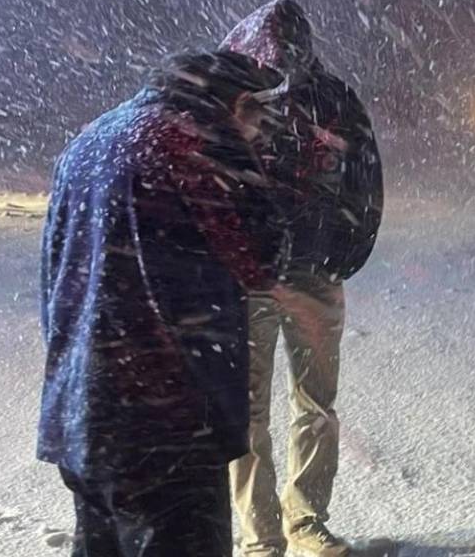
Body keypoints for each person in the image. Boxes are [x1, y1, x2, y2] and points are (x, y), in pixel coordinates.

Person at [39, 50, 288, 557]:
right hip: (170, 421)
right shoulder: (199, 140)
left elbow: (54, 268)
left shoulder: (92, 138)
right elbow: (264, 255)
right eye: (258, 119)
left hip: (83, 408)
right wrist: (252, 163)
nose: (260, 133)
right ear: (238, 103)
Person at [219, 0, 384, 557]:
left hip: (312, 273)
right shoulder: (235, 103)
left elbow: (365, 177)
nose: (284, 61)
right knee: (249, 409)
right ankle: (260, 534)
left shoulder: (331, 98)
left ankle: (305, 522)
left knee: (312, 403)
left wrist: (347, 254)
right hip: (251, 278)